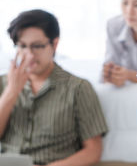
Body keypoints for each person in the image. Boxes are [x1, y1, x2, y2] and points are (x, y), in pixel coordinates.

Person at [0, 9, 108, 166]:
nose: (29, 55)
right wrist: (11, 92)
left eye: (37, 46)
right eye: (22, 46)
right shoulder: (4, 83)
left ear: (54, 44)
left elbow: (93, 151)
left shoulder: (78, 88)